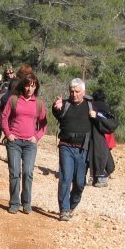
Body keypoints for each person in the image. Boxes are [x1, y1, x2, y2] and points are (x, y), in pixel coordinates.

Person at [0, 71, 47, 214]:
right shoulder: (14, 99)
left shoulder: (38, 103)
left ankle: (26, 202)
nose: (29, 89)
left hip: (30, 144)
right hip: (14, 142)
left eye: (33, 86)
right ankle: (14, 202)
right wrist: (8, 134)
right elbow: (4, 117)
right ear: (23, 86)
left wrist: (37, 137)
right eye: (27, 86)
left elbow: (44, 124)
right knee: (14, 172)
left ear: (36, 87)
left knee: (28, 172)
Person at [52, 78, 93, 221]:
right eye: (71, 91)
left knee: (80, 182)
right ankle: (64, 209)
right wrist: (55, 107)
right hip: (66, 146)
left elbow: (103, 122)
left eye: (77, 91)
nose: (74, 94)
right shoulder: (64, 104)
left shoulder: (90, 106)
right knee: (65, 178)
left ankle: (71, 205)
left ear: (84, 92)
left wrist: (97, 116)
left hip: (83, 149)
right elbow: (57, 112)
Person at [87, 88, 118, 187]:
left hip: (94, 136)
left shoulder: (92, 106)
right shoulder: (106, 107)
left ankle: (93, 177)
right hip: (106, 136)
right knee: (104, 157)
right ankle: (101, 179)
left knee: (94, 156)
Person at [0, 65, 17, 142]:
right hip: (1, 105)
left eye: (11, 72)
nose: (9, 74)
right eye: (7, 73)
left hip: (12, 106)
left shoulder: (17, 82)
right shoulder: (2, 82)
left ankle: (6, 138)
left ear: (14, 73)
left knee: (10, 123)